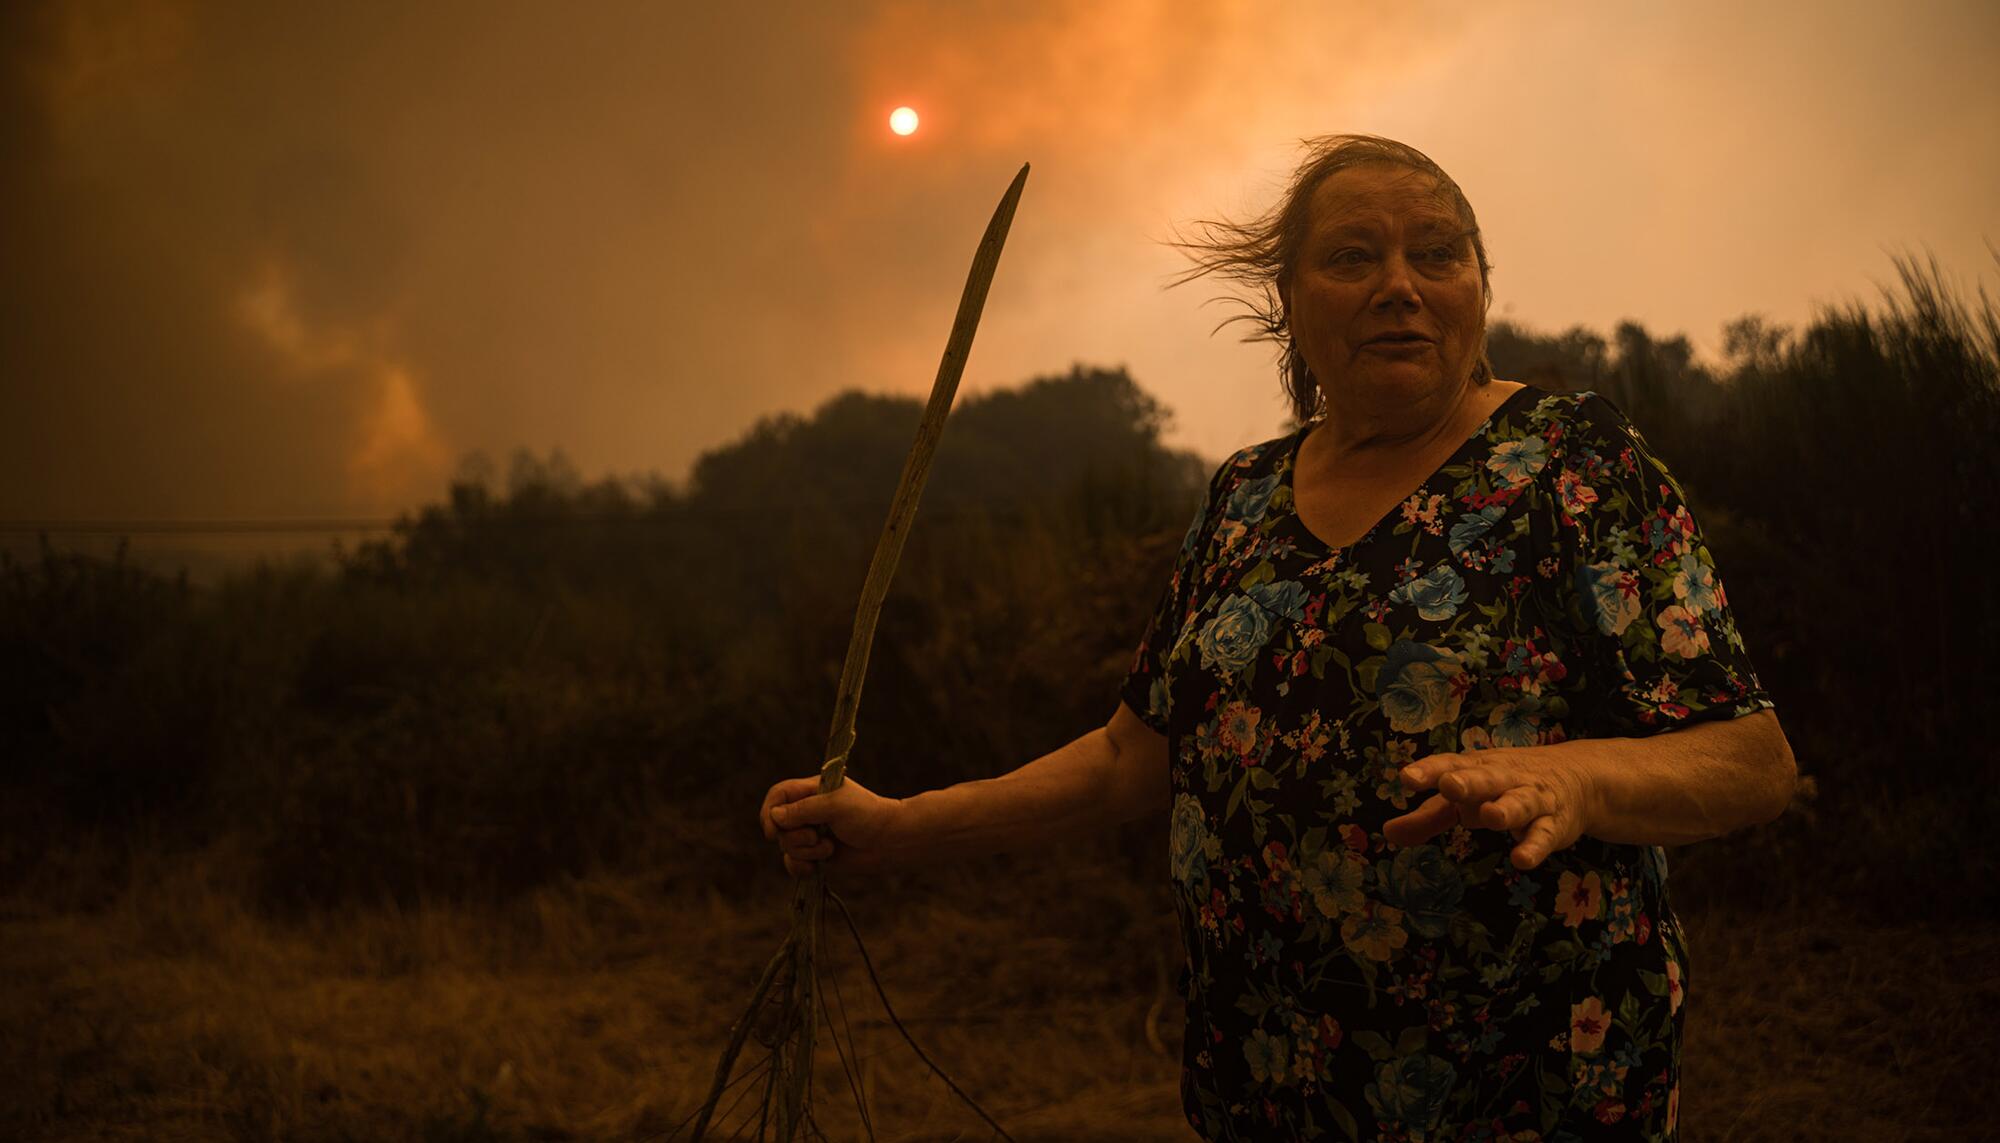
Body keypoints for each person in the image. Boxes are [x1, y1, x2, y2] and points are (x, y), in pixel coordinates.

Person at [759, 134, 1796, 1142]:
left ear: (1479, 285)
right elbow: (1135, 753)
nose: (1400, 283)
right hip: (1266, 1075)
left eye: (1435, 251)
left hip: (1521, 1082)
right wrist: (901, 828)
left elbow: (1750, 763)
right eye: (1352, 256)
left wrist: (1576, 781)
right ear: (1287, 304)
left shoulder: (1570, 464)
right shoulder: (1244, 496)